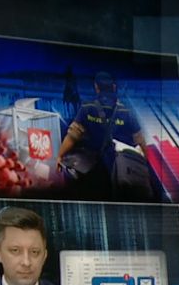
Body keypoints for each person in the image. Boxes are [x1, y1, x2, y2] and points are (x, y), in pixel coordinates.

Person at [56, 72, 149, 201]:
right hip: (120, 167)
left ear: (96, 87)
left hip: (92, 167)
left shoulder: (88, 108)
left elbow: (72, 136)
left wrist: (60, 156)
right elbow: (140, 140)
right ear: (114, 87)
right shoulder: (126, 111)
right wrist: (145, 162)